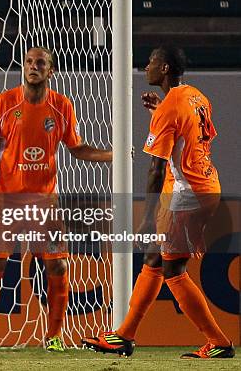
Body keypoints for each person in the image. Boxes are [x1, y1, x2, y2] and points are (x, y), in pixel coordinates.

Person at [82, 46, 235, 359]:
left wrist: (148, 216)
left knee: (173, 269)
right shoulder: (195, 96)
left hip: (187, 193)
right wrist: (161, 111)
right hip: (205, 184)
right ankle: (123, 336)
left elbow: (156, 166)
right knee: (154, 258)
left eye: (151, 61)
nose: (146, 66)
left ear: (164, 68)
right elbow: (192, 135)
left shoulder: (170, 109)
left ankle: (218, 342)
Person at [0, 47, 112, 352]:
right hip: (7, 199)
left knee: (58, 267)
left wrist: (113, 156)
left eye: (40, 63)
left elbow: (78, 149)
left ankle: (54, 336)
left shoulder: (62, 106)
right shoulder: (4, 102)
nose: (33, 67)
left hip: (45, 201)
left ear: (50, 71)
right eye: (29, 62)